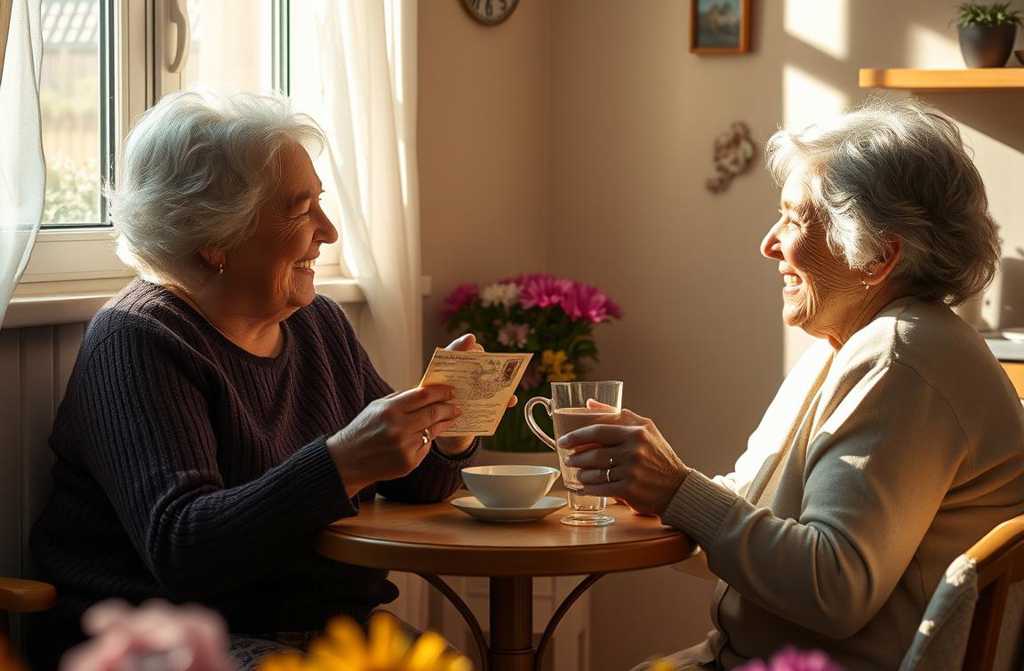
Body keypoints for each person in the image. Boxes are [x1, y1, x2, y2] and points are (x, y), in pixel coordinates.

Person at [29, 91, 504, 667]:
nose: (328, 232)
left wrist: (447, 428)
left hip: (325, 630)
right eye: (301, 210)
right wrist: (342, 463)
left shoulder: (317, 324)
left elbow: (418, 484)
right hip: (173, 639)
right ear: (213, 239)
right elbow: (183, 548)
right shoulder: (136, 339)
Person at [560, 98, 1024, 670]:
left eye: (794, 218)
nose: (769, 244)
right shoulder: (845, 346)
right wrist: (650, 487)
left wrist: (677, 489)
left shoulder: (902, 356)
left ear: (879, 253)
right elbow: (754, 517)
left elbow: (833, 587)